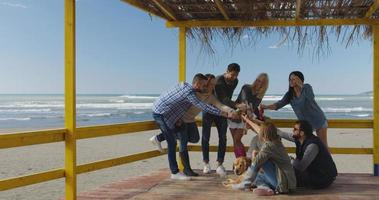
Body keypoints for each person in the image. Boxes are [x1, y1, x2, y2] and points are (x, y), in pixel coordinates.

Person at [150, 74, 236, 177]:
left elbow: (220, 105)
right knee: (180, 142)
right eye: (211, 84)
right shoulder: (194, 93)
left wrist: (231, 110)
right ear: (204, 84)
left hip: (189, 120)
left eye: (214, 85)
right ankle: (185, 170)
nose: (213, 87)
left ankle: (159, 137)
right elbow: (202, 106)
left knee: (195, 138)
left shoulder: (210, 97)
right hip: (180, 119)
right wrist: (223, 114)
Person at [261, 71, 329, 147]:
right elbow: (278, 105)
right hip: (306, 126)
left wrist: (301, 85)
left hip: (318, 120)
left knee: (323, 146)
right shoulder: (289, 94)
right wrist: (266, 107)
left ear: (300, 80)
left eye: (294, 79)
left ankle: (328, 159)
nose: (291, 81)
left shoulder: (306, 87)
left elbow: (311, 98)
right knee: (307, 146)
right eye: (290, 79)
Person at [233, 119, 296, 195]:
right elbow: (260, 129)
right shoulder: (277, 141)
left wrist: (254, 155)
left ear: (264, 134)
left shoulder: (269, 146)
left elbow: (256, 163)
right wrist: (248, 120)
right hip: (289, 183)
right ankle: (266, 188)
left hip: (282, 184)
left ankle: (245, 184)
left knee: (258, 163)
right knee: (258, 176)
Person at [202, 63, 240, 176]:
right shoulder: (218, 80)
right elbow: (223, 98)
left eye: (236, 75)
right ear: (226, 71)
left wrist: (233, 109)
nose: (234, 78)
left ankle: (220, 164)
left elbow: (227, 98)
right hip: (209, 109)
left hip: (223, 111)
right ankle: (206, 163)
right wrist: (236, 106)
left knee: (223, 137)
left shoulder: (235, 81)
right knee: (205, 137)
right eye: (232, 75)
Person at [277, 120, 337, 188]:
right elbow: (282, 134)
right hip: (314, 172)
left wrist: (290, 160)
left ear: (302, 133)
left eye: (295, 129)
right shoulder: (300, 138)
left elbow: (301, 167)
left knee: (286, 178)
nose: (292, 130)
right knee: (285, 174)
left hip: (323, 177)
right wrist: (266, 124)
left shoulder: (312, 146)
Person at [229, 73, 269, 159]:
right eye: (258, 80)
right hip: (235, 115)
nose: (259, 83)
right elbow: (245, 102)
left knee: (236, 139)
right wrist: (252, 115)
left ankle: (243, 162)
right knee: (236, 141)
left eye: (262, 82)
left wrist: (261, 117)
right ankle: (241, 162)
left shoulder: (259, 95)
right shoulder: (246, 87)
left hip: (245, 118)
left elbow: (254, 108)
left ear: (264, 85)